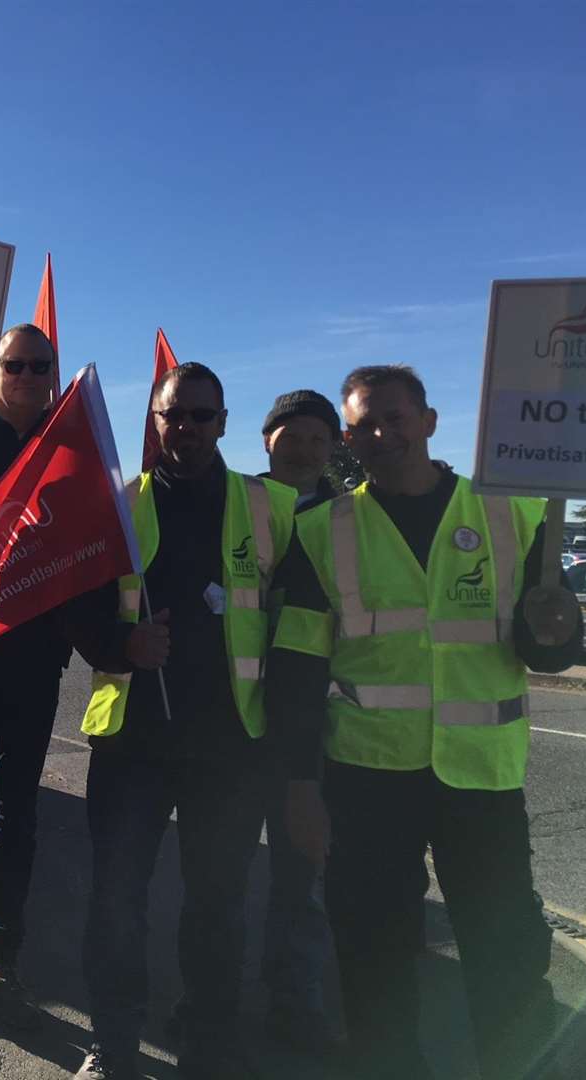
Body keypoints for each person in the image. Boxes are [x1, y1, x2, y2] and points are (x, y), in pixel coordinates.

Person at [266, 364, 582, 1080]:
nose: (380, 435)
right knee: (373, 961)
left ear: (431, 422)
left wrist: (560, 633)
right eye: (363, 426)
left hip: (483, 780)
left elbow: (548, 642)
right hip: (368, 780)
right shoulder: (323, 532)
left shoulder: (515, 513)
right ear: (348, 439)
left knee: (507, 959)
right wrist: (297, 787)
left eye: (395, 419)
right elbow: (296, 673)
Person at [0, 325, 170, 1020]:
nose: (24, 375)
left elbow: (91, 549)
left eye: (37, 365)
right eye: (12, 364)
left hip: (33, 659)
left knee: (16, 815)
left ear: (53, 374)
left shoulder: (69, 443)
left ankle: (0, 953)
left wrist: (113, 643)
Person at [74, 363, 295, 1080]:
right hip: (134, 742)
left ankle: (209, 1041)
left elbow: (299, 630)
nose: (188, 428)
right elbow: (81, 616)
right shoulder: (120, 505)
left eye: (202, 416)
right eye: (175, 416)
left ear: (225, 421)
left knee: (218, 906)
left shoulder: (271, 508)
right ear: (155, 421)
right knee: (116, 904)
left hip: (230, 748)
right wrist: (121, 647)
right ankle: (114, 1045)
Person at [253, 389, 345, 1053]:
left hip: (314, 727)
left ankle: (298, 1006)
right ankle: (215, 1005)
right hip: (233, 719)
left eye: (320, 438)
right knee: (220, 879)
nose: (307, 450)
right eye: (294, 435)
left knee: (301, 876)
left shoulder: (348, 518)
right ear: (266, 439)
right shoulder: (237, 503)